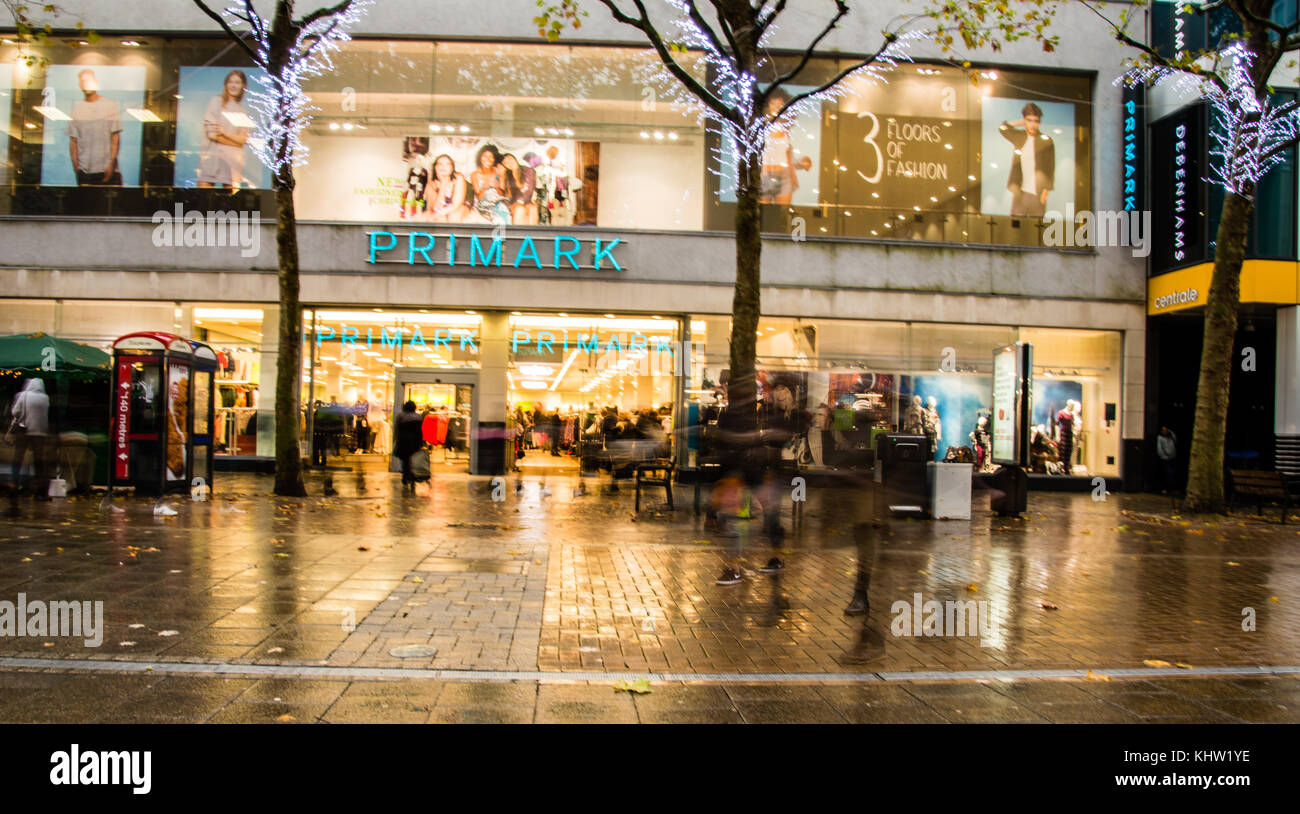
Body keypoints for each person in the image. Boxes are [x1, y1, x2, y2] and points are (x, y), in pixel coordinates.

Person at [999, 102, 1055, 217]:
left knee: (1037, 229)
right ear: (1025, 120)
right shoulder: (1019, 137)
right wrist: (1020, 122)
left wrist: (1045, 193)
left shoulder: (1046, 141)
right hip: (1020, 193)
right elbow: (1002, 128)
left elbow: (1050, 167)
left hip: (1037, 194)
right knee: (1015, 228)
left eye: (1036, 121)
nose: (1033, 124)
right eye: (1029, 120)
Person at [198, 70, 252, 188]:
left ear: (243, 86)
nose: (233, 85)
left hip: (233, 161)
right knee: (202, 200)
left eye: (237, 82)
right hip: (211, 159)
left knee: (232, 203)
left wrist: (224, 133)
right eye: (230, 82)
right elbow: (212, 134)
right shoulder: (215, 102)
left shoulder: (243, 112)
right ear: (226, 84)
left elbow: (245, 139)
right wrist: (236, 142)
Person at [69, 68, 122, 186]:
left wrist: (111, 163)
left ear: (96, 83)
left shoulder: (109, 105)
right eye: (82, 81)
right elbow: (73, 140)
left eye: (88, 80)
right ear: (79, 85)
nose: (85, 84)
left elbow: (115, 137)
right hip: (85, 172)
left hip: (107, 170)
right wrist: (76, 167)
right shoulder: (77, 109)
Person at [6, 378, 52, 500]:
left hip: (24, 432)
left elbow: (15, 412)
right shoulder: (45, 398)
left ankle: (14, 486)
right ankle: (39, 492)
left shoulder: (23, 395)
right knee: (38, 463)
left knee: (18, 460)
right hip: (40, 435)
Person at [759, 90, 798, 205]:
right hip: (766, 173)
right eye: (773, 103)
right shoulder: (761, 128)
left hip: (784, 174)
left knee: (782, 216)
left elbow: (788, 154)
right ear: (767, 106)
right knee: (763, 214)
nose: (776, 107)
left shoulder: (786, 128)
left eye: (780, 104)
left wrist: (793, 176)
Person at [469, 144, 510, 224]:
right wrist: (484, 188)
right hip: (481, 205)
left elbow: (502, 194)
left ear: (494, 159)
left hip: (497, 203)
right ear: (480, 158)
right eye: (484, 156)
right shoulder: (475, 174)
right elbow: (479, 198)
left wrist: (497, 187)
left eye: (491, 156)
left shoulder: (499, 171)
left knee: (502, 219)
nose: (488, 159)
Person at [427, 154, 469, 222]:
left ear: (452, 168)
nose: (443, 167)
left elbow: (456, 204)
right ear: (435, 167)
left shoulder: (459, 177)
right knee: (439, 219)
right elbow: (436, 208)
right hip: (442, 209)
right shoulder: (432, 183)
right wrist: (443, 184)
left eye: (447, 164)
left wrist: (439, 214)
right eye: (440, 164)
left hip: (460, 207)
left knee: (454, 216)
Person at [393, 401, 424, 492]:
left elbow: (397, 429)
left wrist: (395, 439)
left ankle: (406, 477)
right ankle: (412, 476)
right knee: (413, 459)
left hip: (403, 441)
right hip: (414, 442)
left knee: (405, 460)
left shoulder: (401, 416)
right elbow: (420, 432)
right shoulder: (418, 417)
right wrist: (421, 443)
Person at [501, 153, 538, 225]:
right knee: (520, 209)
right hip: (514, 204)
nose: (509, 162)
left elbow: (530, 189)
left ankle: (531, 235)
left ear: (514, 158)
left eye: (509, 159)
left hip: (527, 201)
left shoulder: (528, 170)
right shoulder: (508, 177)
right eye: (505, 163)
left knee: (533, 208)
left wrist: (521, 201)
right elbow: (507, 196)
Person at [1157, 426, 1178, 495]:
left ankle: (1172, 488)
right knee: (1166, 473)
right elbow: (1159, 448)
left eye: (1166, 430)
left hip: (1172, 456)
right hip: (1165, 458)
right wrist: (1163, 455)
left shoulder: (1170, 437)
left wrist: (1171, 432)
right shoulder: (1160, 438)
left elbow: (1175, 440)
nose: (1165, 432)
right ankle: (1165, 488)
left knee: (1172, 473)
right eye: (1164, 430)